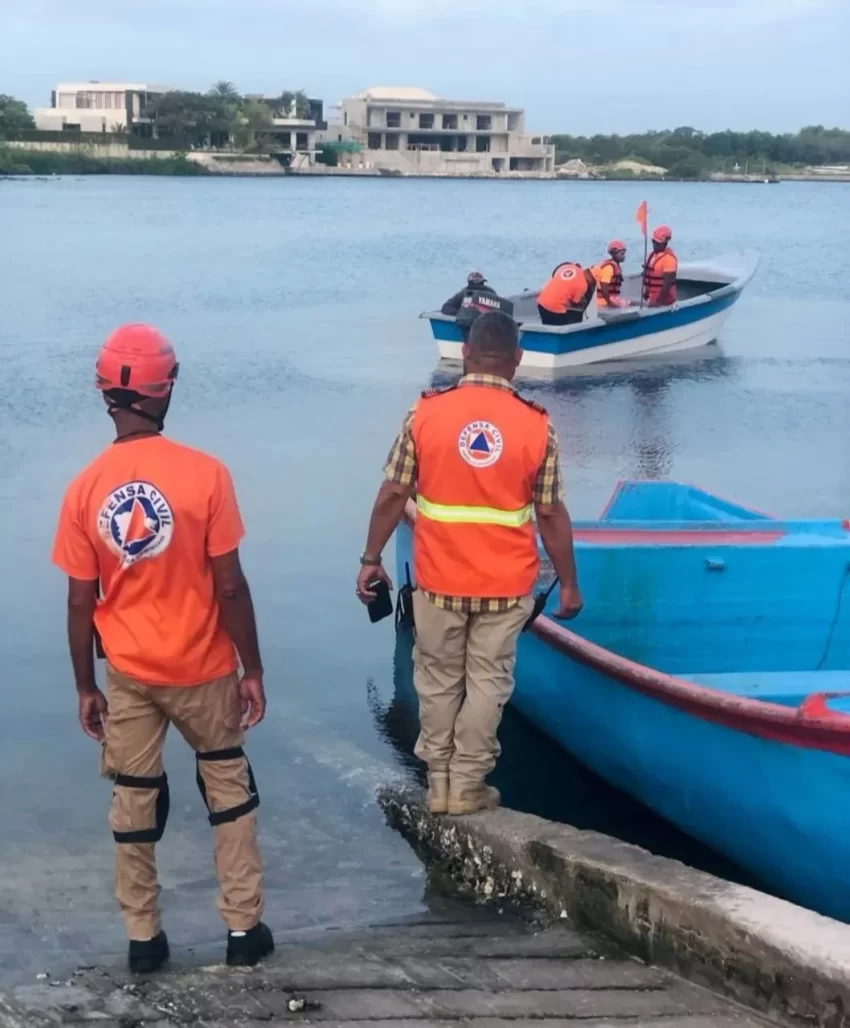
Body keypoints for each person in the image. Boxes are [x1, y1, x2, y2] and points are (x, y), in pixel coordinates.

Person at [51, 324, 273, 974]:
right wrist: (252, 668)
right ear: (167, 387)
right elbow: (229, 585)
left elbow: (77, 603)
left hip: (129, 675)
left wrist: (84, 686)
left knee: (134, 799)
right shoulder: (207, 475)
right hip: (205, 669)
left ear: (105, 395)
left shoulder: (85, 489)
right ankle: (242, 930)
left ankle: (145, 940)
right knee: (229, 790)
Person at [356, 311, 583, 817]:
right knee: (488, 681)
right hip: (505, 585)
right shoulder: (536, 426)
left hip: (439, 579)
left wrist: (371, 559)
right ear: (517, 360)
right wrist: (568, 584)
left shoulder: (425, 415)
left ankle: (437, 783)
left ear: (465, 354)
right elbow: (549, 511)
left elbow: (393, 493)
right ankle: (468, 784)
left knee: (436, 678)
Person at [643, 226, 678, 307]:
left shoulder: (669, 259)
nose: (655, 245)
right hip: (652, 297)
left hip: (665, 300)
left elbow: (667, 284)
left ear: (665, 243)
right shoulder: (651, 255)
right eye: (653, 242)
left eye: (657, 243)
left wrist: (659, 303)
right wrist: (647, 292)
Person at [591, 241, 631, 308]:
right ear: (614, 254)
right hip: (602, 300)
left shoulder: (615, 266)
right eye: (621, 254)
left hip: (609, 297)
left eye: (624, 254)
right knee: (630, 304)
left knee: (630, 302)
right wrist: (609, 303)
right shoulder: (609, 267)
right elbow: (604, 285)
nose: (624, 256)